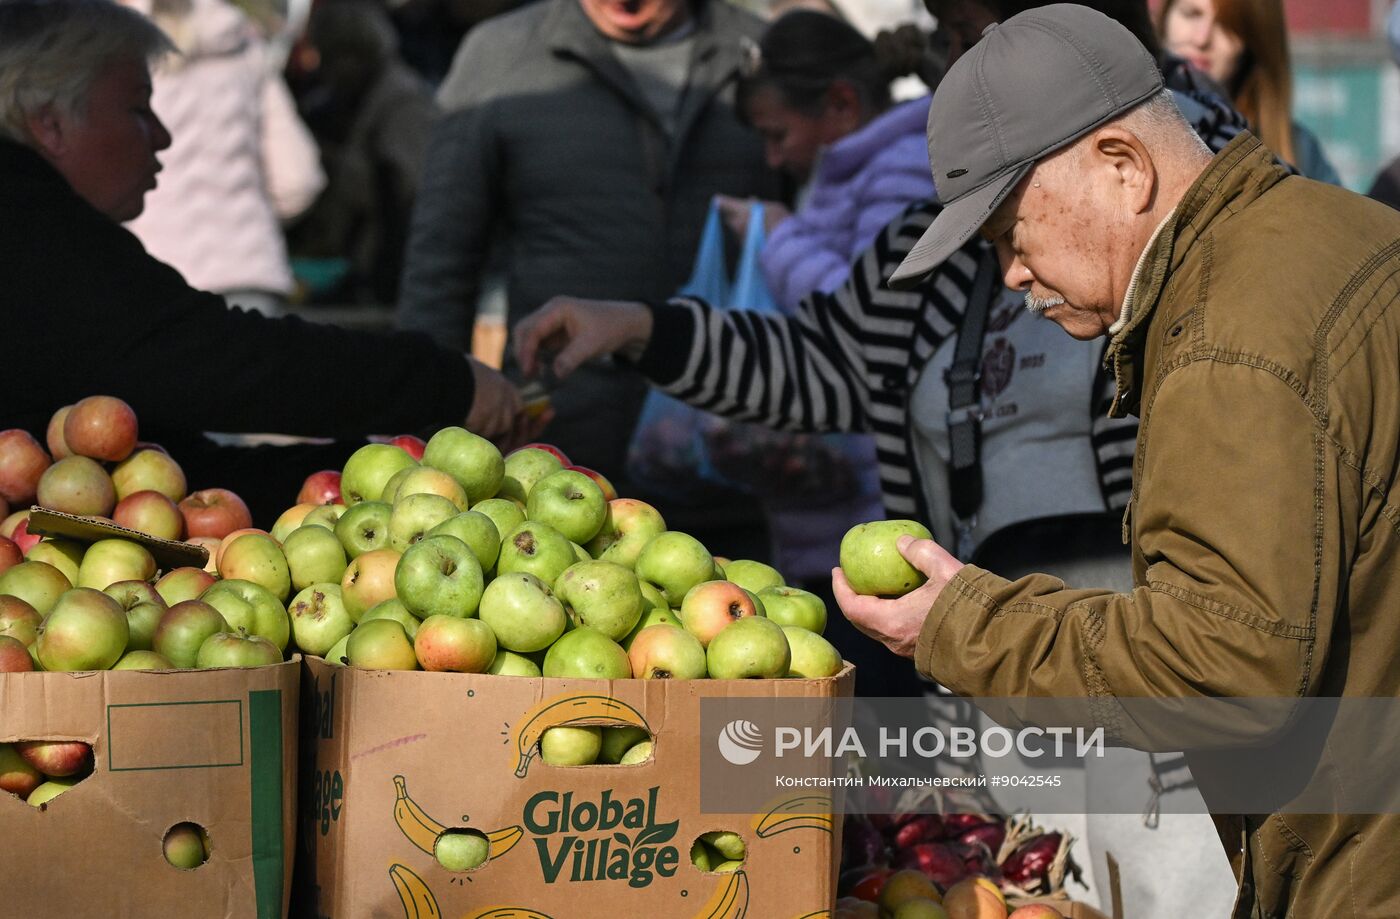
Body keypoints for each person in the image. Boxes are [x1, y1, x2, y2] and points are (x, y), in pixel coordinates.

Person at [824, 6, 1400, 916]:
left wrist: (961, 623)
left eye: (1010, 233)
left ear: (1124, 166)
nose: (1011, 274)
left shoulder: (1228, 341)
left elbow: (1226, 670)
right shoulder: (1341, 233)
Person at [0, 0, 537, 523]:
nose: (162, 136)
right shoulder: (35, 230)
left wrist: (390, 468)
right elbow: (222, 365)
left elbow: (182, 470)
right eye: (138, 108)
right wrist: (442, 383)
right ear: (50, 123)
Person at [395, 0, 784, 485]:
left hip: (736, 448)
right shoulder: (502, 55)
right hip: (560, 447)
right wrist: (429, 425)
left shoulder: (761, 52)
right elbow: (441, 260)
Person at [714, 8, 930, 595]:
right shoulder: (844, 171)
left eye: (777, 135)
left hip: (875, 514)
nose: (772, 159)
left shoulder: (902, 171)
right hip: (835, 509)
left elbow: (868, 316)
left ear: (840, 103)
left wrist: (779, 238)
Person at [119, 0, 325, 317]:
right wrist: (246, 218)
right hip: (249, 271)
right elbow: (298, 178)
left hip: (152, 271)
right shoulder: (245, 47)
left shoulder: (117, 52)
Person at [290, 0, 436, 305]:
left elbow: (410, 192)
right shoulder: (355, 98)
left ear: (357, 55)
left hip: (395, 275)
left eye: (332, 58)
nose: (326, 71)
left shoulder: (403, 105)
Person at [1158, 0, 1340, 183]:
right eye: (1191, 14)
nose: (1202, 39)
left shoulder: (1300, 150)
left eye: (1227, 24)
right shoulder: (1141, 118)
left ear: (1254, 41)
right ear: (1165, 18)